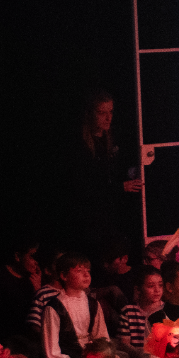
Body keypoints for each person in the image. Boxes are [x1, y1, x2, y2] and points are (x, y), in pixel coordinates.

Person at [68, 90, 141, 252]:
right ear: (89, 114)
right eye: (102, 113)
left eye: (111, 112)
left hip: (111, 213)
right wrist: (120, 187)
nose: (108, 117)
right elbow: (84, 188)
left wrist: (131, 174)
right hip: (89, 218)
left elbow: (116, 170)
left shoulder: (112, 138)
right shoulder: (80, 146)